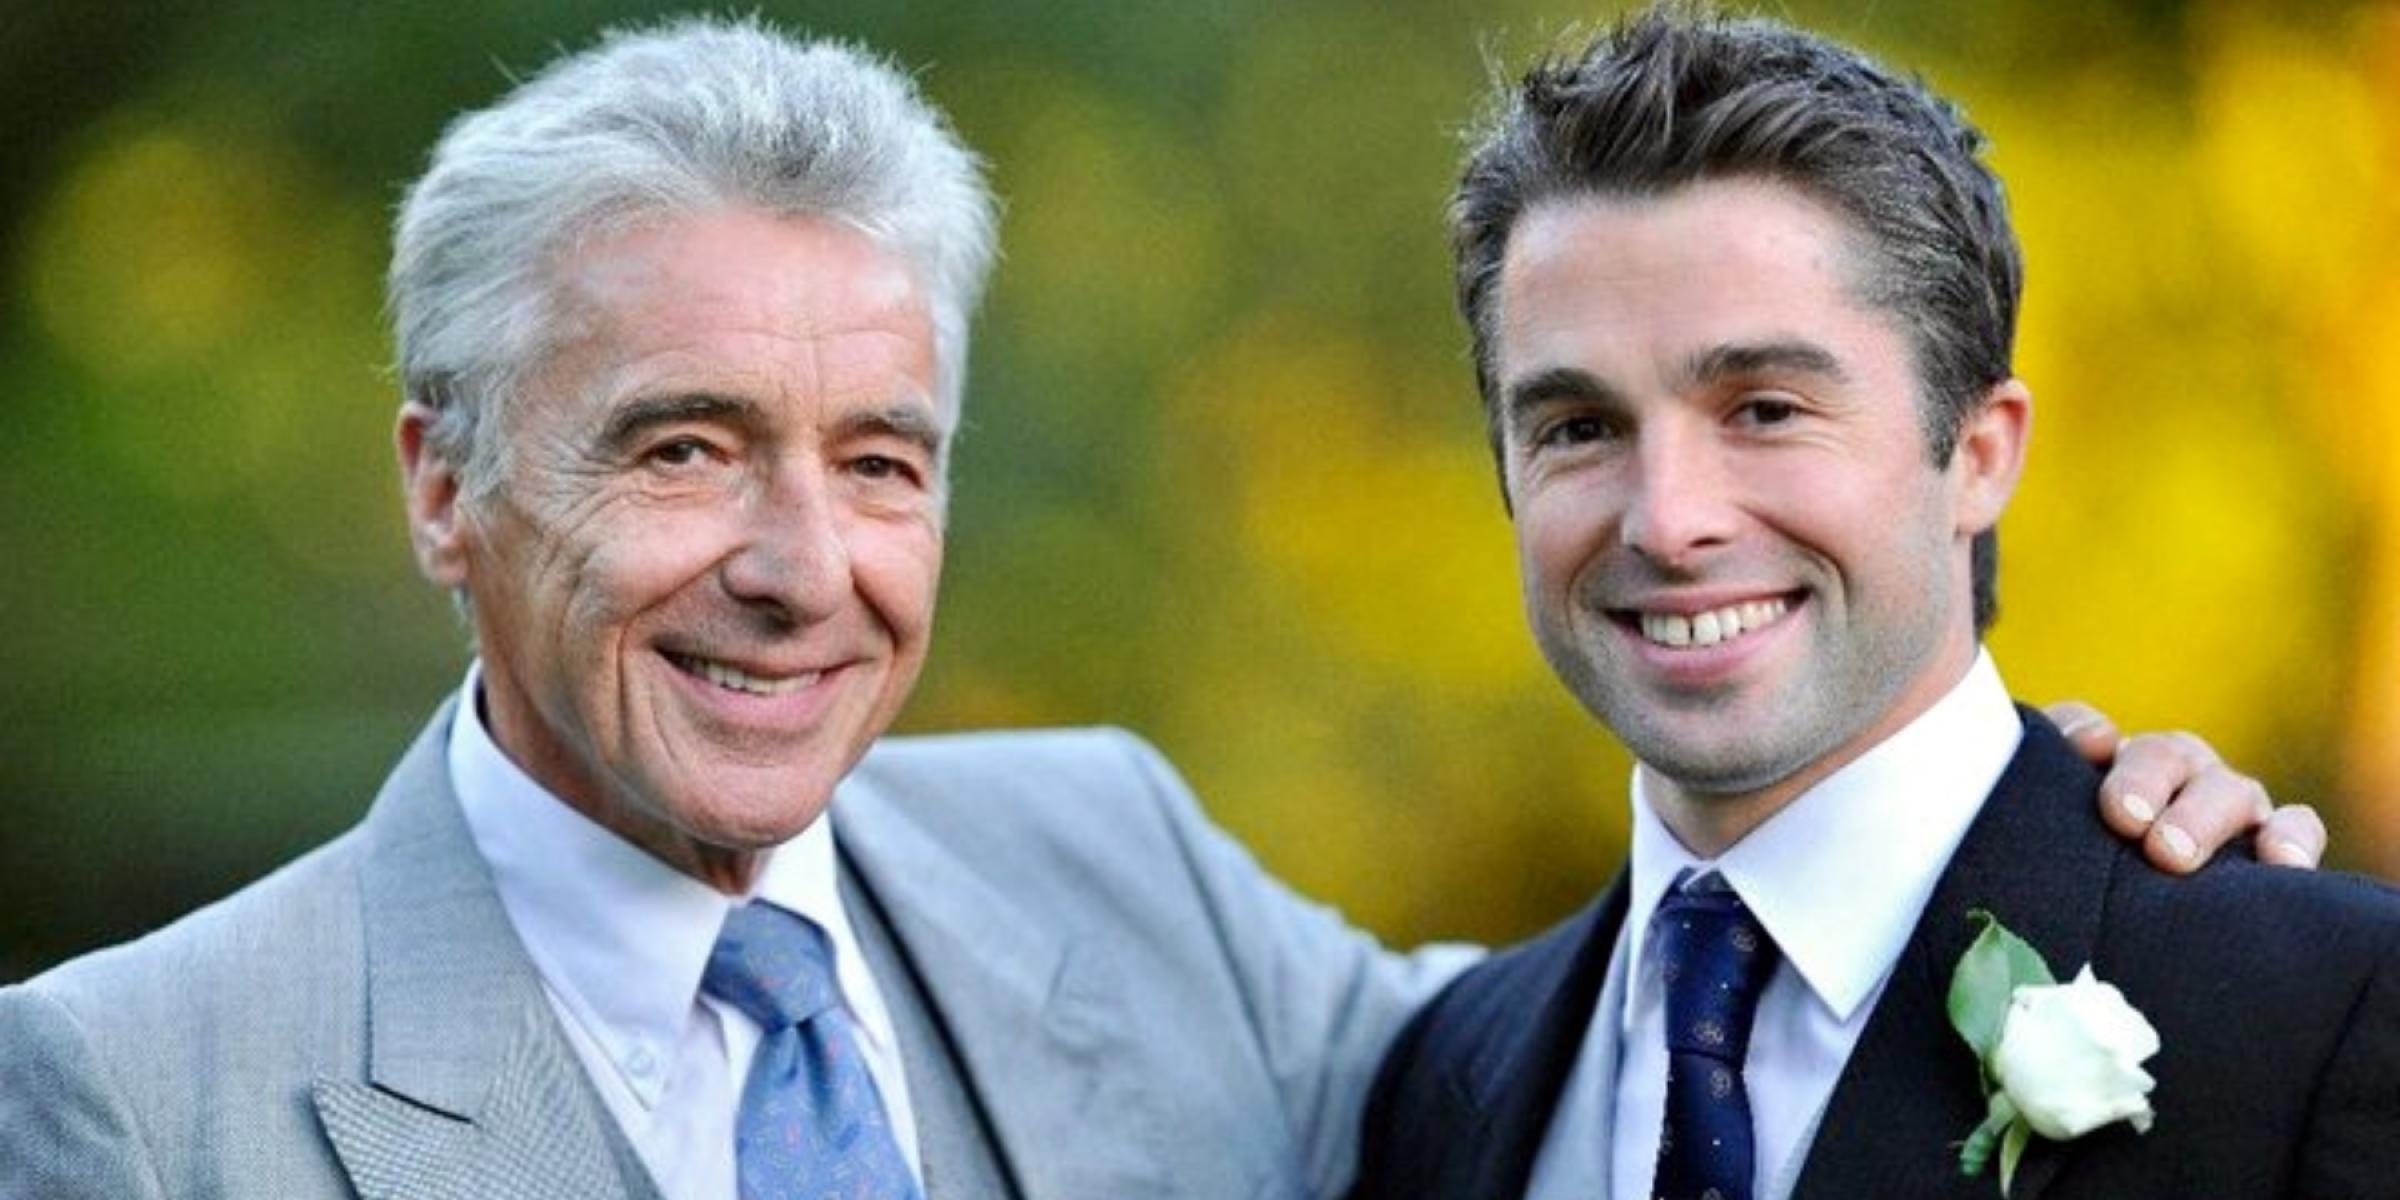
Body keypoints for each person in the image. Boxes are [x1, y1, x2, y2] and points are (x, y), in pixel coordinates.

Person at [0, 15, 2330, 1200]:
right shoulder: (132, 1092)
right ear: (443, 484)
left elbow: (1703, 1020)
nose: (801, 568)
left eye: (879, 461)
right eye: (681, 445)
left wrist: (2068, 832)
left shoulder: (1105, 867)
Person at [1352, 9, 2400, 1200]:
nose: (1667, 519)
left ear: (1978, 453)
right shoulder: (1439, 1081)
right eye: (1579, 429)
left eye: (1765, 408)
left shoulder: (2323, 1017)